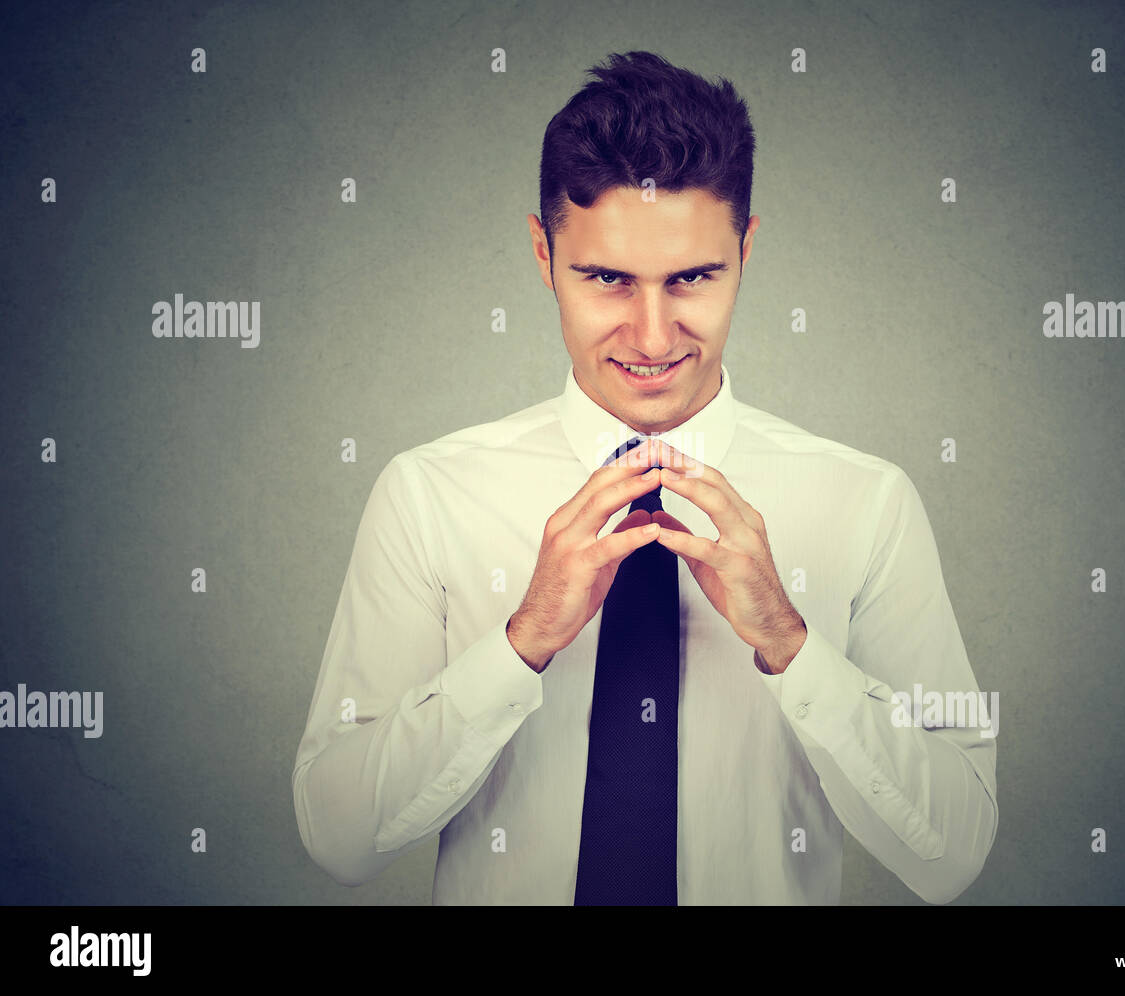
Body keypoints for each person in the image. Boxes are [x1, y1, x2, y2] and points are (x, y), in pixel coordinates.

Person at [292, 50, 998, 905]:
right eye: (607, 279)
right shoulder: (429, 494)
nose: (655, 337)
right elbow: (337, 839)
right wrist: (521, 643)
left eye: (694, 278)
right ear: (543, 253)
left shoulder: (868, 502)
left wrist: (791, 643)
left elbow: (954, 853)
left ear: (747, 249)